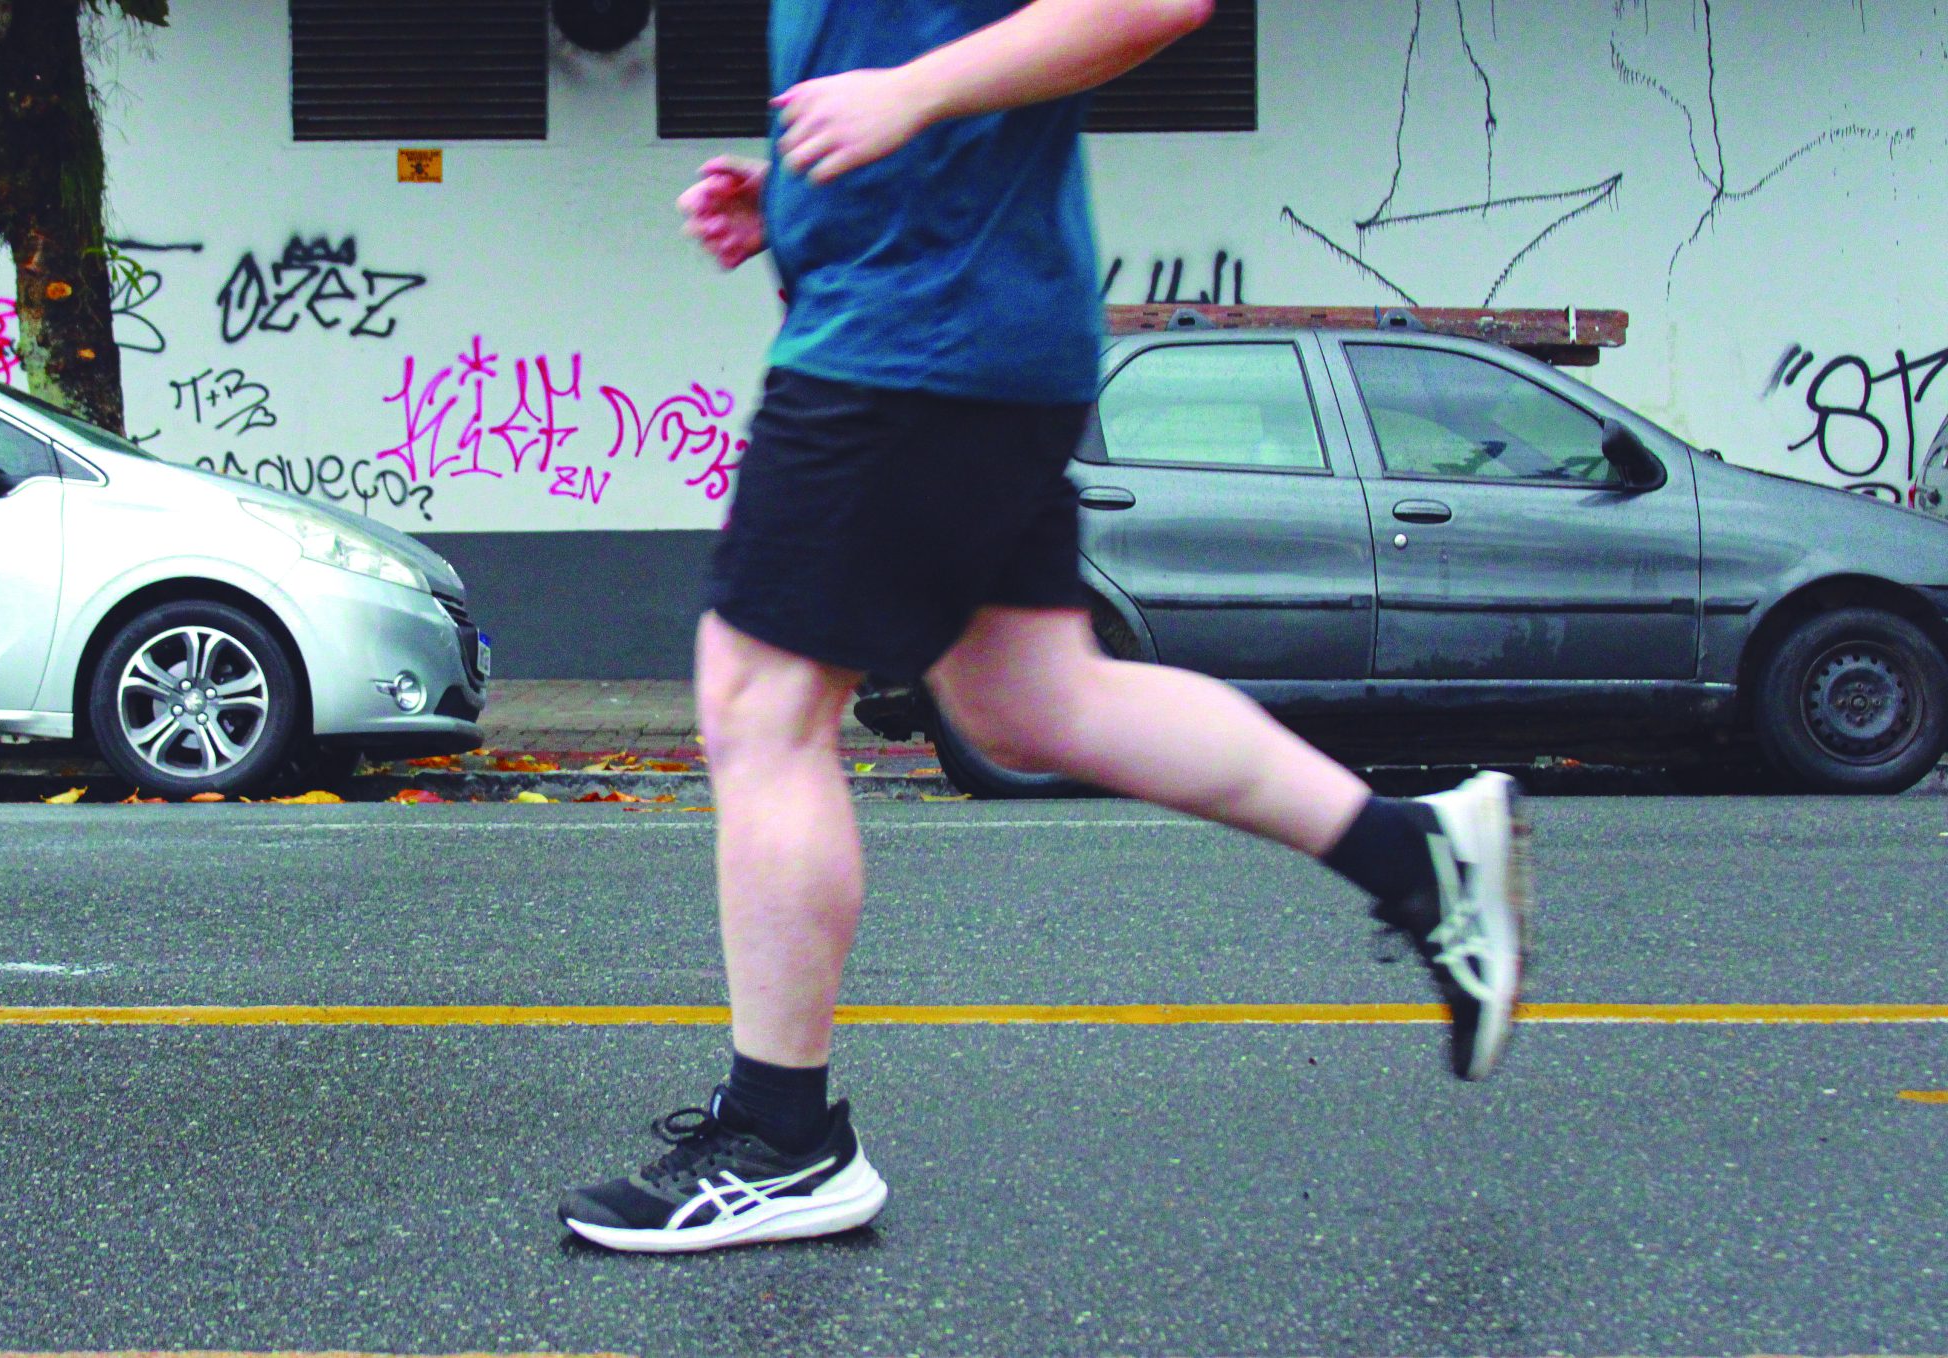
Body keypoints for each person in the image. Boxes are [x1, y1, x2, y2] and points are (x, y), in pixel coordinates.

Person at [558, 0, 1531, 1255]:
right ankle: (1413, 853)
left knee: (760, 706)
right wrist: (794, 200)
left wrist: (909, 95)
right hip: (953, 319)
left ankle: (781, 1137)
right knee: (1032, 699)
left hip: (910, 336)